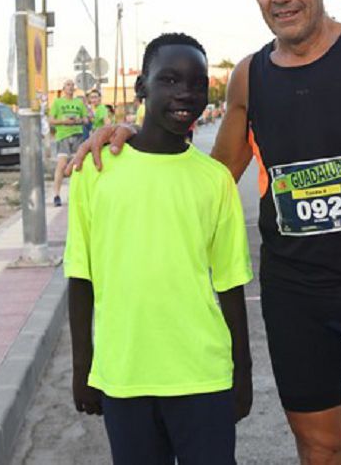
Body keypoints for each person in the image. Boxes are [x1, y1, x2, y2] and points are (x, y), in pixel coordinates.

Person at [73, 0, 341, 464]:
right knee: (320, 449)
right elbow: (209, 176)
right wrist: (136, 139)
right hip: (296, 298)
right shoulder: (250, 76)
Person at [66, 33, 253, 464]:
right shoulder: (94, 171)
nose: (185, 93)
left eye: (197, 83)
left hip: (203, 376)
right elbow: (81, 275)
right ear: (141, 88)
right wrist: (84, 368)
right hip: (124, 375)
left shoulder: (214, 180)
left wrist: (241, 375)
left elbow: (230, 284)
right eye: (169, 80)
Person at [49, 79, 88, 207]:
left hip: (77, 135)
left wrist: (79, 120)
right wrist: (64, 121)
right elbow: (51, 120)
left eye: (72, 85)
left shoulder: (79, 102)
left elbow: (86, 119)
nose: (70, 87)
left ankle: (75, 194)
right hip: (63, 136)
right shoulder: (58, 102)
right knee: (62, 165)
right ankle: (56, 195)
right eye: (67, 85)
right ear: (63, 88)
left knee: (77, 166)